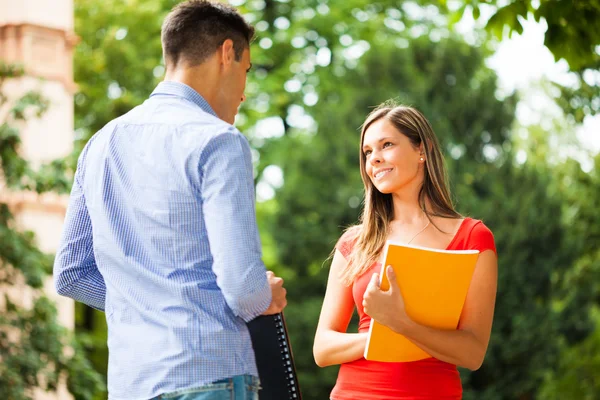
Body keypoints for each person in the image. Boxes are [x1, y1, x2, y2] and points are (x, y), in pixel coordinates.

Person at [53, 1, 287, 399]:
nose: (244, 94)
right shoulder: (218, 140)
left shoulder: (100, 145)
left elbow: (71, 274)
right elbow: (243, 289)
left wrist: (149, 301)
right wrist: (267, 297)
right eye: (246, 72)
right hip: (209, 375)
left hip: (131, 384)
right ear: (226, 53)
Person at [313, 102, 497, 400]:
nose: (374, 159)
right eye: (368, 152)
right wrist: (383, 332)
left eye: (387, 145)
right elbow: (322, 349)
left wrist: (401, 323)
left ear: (421, 150)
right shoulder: (354, 242)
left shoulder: (472, 238)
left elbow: (473, 353)